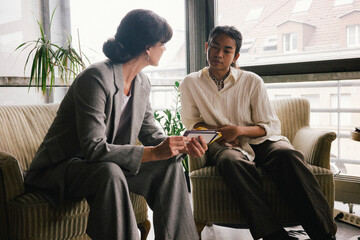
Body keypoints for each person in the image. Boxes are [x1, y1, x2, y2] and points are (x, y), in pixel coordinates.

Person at [24, 9, 207, 240]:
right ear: (147, 47)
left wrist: (180, 146)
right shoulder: (95, 78)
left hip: (103, 166)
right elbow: (94, 148)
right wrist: (153, 152)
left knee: (167, 167)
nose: (165, 48)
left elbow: (151, 133)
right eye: (163, 43)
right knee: (109, 171)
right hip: (63, 167)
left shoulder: (141, 82)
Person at [179, 25, 337, 240]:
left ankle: (324, 234)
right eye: (214, 47)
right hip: (222, 143)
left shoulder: (252, 81)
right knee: (232, 162)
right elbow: (193, 123)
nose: (218, 54)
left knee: (287, 155)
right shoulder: (191, 82)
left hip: (261, 139)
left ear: (236, 55)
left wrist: (238, 130)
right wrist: (223, 133)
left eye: (227, 50)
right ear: (206, 47)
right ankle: (273, 235)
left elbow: (270, 125)